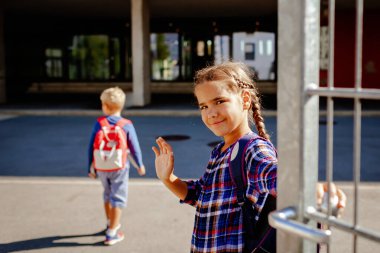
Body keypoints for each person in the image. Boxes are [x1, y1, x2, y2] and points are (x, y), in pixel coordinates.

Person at [152, 61, 346, 253]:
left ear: (245, 100)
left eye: (219, 101)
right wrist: (168, 179)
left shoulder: (253, 149)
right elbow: (200, 195)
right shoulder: (219, 151)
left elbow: (273, 175)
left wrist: (306, 189)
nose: (210, 113)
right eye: (203, 106)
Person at [88, 86, 146, 246]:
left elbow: (91, 146)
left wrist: (90, 168)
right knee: (118, 198)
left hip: (101, 167)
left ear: (105, 106)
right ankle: (112, 233)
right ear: (121, 106)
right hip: (119, 167)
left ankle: (109, 223)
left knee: (107, 194)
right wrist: (140, 164)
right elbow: (134, 147)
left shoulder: (99, 123)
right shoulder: (126, 124)